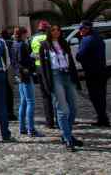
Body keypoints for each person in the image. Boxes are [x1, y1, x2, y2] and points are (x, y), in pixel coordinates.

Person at [39, 24, 82, 152]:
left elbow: (72, 62)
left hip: (67, 74)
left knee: (73, 107)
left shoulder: (64, 43)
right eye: (53, 30)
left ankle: (66, 133)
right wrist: (47, 84)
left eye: (58, 29)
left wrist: (76, 79)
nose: (56, 31)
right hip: (55, 75)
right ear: (49, 32)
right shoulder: (44, 46)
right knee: (63, 109)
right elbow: (43, 67)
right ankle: (68, 139)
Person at [75, 20, 110, 127]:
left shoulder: (87, 40)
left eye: (82, 28)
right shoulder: (98, 38)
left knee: (95, 96)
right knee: (102, 95)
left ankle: (102, 118)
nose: (80, 30)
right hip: (102, 70)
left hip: (92, 72)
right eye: (80, 28)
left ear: (88, 29)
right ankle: (103, 116)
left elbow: (79, 56)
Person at [11, 26, 43, 137]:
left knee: (23, 102)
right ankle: (31, 129)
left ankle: (22, 128)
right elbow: (22, 61)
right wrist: (33, 58)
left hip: (19, 75)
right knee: (30, 102)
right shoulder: (22, 45)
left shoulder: (14, 44)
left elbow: (15, 61)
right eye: (26, 33)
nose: (27, 35)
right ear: (23, 34)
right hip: (25, 75)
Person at [31, 20, 55, 129]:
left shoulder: (33, 38)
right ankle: (60, 120)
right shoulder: (48, 38)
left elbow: (30, 53)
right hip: (49, 67)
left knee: (45, 95)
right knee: (55, 94)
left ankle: (49, 122)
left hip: (38, 67)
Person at [1, 28, 16, 121]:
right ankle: (10, 113)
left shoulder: (1, 43)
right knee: (10, 91)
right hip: (10, 68)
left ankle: (3, 113)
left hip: (1, 69)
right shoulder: (11, 43)